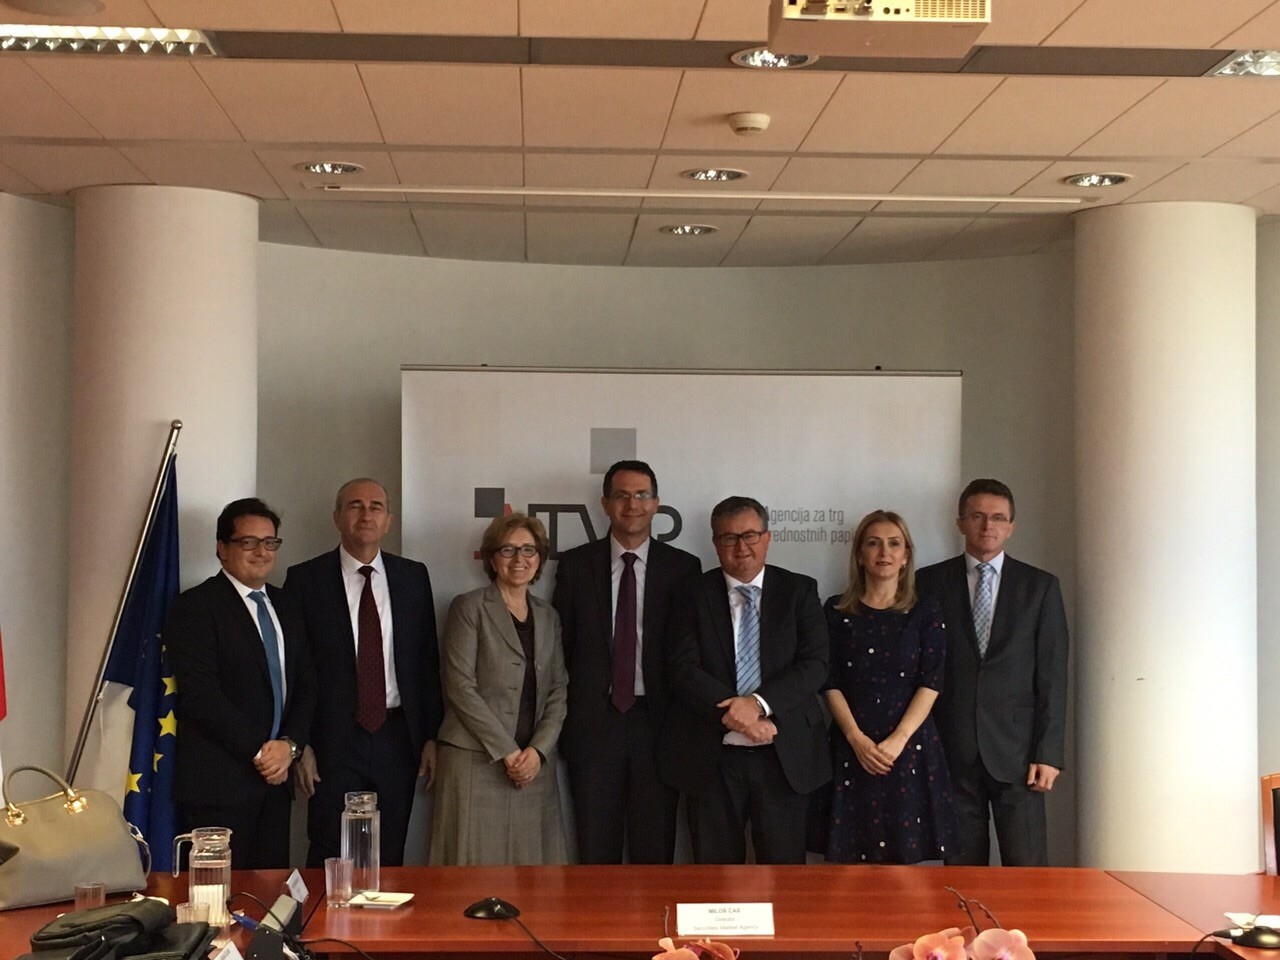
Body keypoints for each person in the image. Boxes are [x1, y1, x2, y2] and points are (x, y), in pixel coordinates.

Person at [660, 496, 830, 864]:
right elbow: (682, 667)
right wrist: (738, 717)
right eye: (729, 538)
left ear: (767, 538)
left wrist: (758, 705)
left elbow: (815, 664)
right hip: (710, 757)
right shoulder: (690, 594)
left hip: (784, 755)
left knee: (784, 875)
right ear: (715, 542)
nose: (741, 547)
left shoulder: (799, 591)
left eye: (750, 535)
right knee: (715, 876)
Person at [283, 478, 443, 868]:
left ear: (388, 520)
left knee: (389, 851)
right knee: (329, 850)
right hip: (332, 739)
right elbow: (294, 669)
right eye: (355, 505)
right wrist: (301, 743)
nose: (366, 514)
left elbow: (426, 662)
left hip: (397, 737)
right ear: (337, 517)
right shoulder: (305, 580)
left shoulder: (413, 577)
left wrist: (431, 737)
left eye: (376, 506)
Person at [551, 460, 701, 864]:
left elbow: (690, 654)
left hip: (659, 726)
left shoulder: (684, 569)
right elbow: (560, 648)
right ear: (605, 504)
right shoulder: (576, 565)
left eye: (641, 495)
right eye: (621, 495)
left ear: (656, 503)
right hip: (593, 725)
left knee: (654, 851)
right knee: (595, 850)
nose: (632, 504)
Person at [915, 478, 1068, 866]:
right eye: (978, 516)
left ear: (1011, 527)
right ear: (960, 522)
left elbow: (1052, 677)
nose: (988, 526)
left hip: (1020, 755)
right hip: (953, 750)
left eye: (998, 518)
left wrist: (1048, 753)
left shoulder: (1040, 587)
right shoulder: (927, 584)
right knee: (963, 876)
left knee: (1027, 871)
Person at [166, 498, 314, 869]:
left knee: (269, 892)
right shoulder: (196, 607)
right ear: (222, 548)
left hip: (275, 784)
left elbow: (307, 685)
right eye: (248, 542)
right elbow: (202, 696)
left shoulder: (288, 605)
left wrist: (290, 746)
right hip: (219, 786)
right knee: (214, 895)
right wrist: (262, 753)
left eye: (270, 542)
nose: (261, 551)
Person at [430, 513, 568, 865]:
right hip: (475, 762)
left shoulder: (548, 616)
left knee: (534, 878)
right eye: (508, 550)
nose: (519, 559)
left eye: (528, 550)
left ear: (540, 559)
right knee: (471, 874)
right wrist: (508, 753)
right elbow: (460, 687)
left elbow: (558, 689)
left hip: (534, 768)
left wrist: (537, 752)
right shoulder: (469, 607)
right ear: (492, 559)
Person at [820, 510, 954, 864]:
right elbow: (829, 680)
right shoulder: (835, 611)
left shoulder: (926, 610)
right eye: (874, 543)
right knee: (847, 871)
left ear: (906, 555)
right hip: (852, 748)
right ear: (860, 554)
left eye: (894, 544)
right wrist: (856, 739)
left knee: (907, 869)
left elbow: (931, 680)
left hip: (909, 749)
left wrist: (898, 740)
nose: (884, 552)